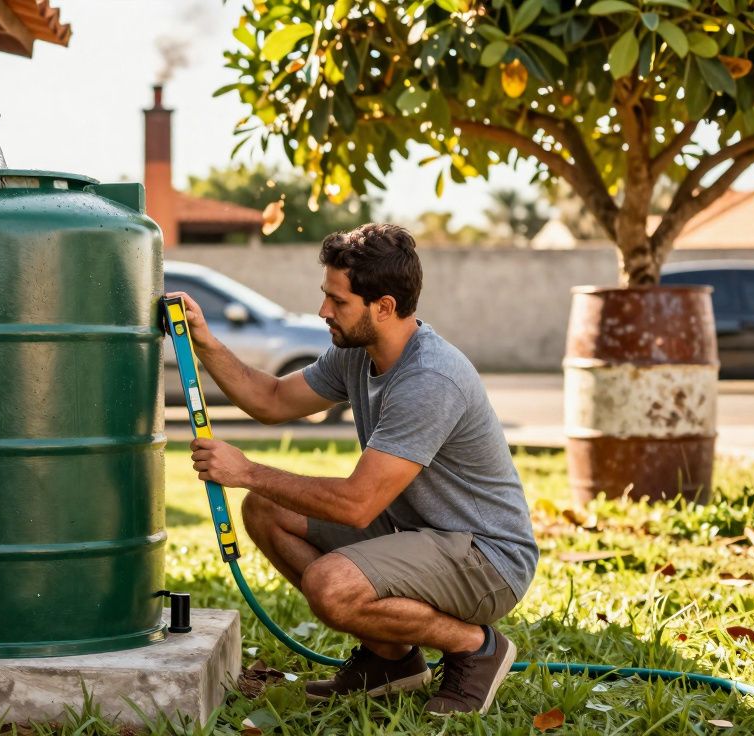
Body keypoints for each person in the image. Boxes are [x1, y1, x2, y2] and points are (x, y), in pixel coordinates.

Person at [167, 223, 537, 715]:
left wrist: (248, 470)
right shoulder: (357, 356)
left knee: (331, 585)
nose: (324, 312)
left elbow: (357, 504)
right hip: (419, 533)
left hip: (486, 558)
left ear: (384, 307)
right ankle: (391, 659)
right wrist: (205, 342)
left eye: (338, 302)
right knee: (266, 511)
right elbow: (273, 400)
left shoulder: (430, 378)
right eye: (326, 296)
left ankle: (475, 646)